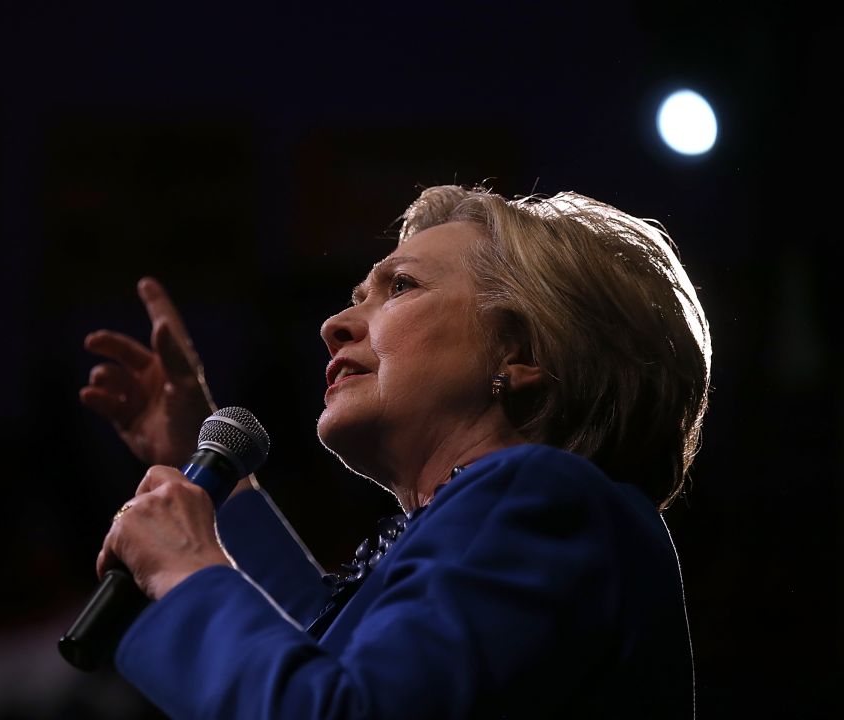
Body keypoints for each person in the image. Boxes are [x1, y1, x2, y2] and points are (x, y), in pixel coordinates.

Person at [78, 184, 711, 718]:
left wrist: (184, 570)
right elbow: (318, 646)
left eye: (400, 286)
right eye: (358, 296)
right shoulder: (520, 524)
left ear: (522, 355)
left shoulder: (544, 499)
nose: (334, 324)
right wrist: (202, 463)